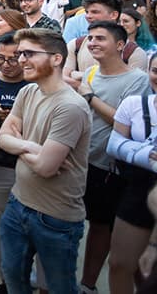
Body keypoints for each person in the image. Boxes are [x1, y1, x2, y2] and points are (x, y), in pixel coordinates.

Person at [0, 27, 91, 294]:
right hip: (17, 203)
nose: (20, 60)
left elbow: (46, 168)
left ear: (56, 58)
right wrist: (32, 146)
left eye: (28, 53)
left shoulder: (70, 107)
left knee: (60, 288)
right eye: (20, 53)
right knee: (13, 278)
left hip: (55, 217)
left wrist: (17, 145)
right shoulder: (28, 92)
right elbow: (2, 138)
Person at [71, 21, 148, 293]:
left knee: (103, 227)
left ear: (120, 45)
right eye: (90, 38)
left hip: (110, 168)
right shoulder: (90, 72)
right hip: (83, 161)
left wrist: (90, 97)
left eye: (100, 38)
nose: (92, 43)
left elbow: (124, 122)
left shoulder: (137, 79)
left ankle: (88, 284)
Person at [0, 32, 34, 294]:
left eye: (13, 58)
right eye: (0, 58)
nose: (7, 64)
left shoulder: (34, 86)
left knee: (32, 226)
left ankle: (29, 275)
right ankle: (7, 280)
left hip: (30, 165)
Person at [106, 51, 157, 294]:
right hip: (138, 191)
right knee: (120, 264)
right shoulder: (134, 104)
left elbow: (122, 145)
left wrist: (134, 149)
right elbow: (113, 146)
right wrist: (148, 154)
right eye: (155, 71)